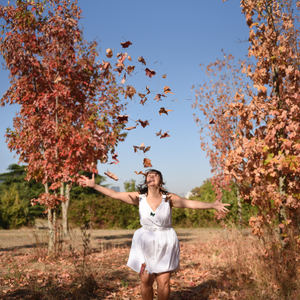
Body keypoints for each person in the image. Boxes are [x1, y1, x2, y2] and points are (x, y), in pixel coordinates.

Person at [79, 169, 230, 300]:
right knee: (146, 279)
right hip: (145, 241)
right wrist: (95, 186)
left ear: (160, 181)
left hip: (166, 240)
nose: (151, 176)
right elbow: (115, 194)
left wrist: (213, 205)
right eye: (149, 174)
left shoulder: (168, 198)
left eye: (155, 174)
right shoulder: (139, 197)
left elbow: (189, 203)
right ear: (146, 181)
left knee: (164, 282)